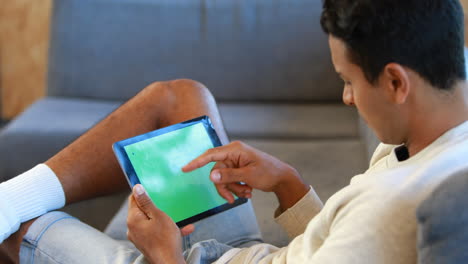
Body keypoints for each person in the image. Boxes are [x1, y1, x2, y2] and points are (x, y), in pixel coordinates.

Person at [2, 0, 468, 262]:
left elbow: (363, 235)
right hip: (252, 255)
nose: (347, 98)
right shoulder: (441, 133)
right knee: (183, 98)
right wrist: (286, 181)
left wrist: (164, 255)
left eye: (348, 82)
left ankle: (10, 208)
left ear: (394, 82)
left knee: (21, 230)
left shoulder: (391, 211)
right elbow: (335, 244)